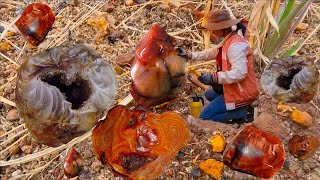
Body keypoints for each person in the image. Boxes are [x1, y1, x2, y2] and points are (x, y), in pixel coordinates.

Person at [178, 9, 259, 123]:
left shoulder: (236, 46)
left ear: (223, 28)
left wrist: (214, 78)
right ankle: (234, 109)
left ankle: (242, 113)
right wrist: (189, 55)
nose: (212, 31)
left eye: (214, 29)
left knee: (205, 117)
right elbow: (211, 52)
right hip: (232, 86)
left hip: (241, 91)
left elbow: (240, 73)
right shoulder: (228, 40)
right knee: (207, 96)